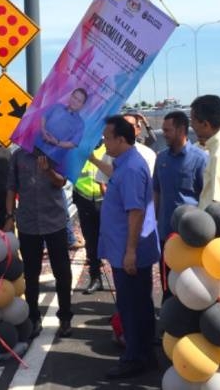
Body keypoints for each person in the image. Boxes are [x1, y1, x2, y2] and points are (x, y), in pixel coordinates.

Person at [98, 115, 160, 380]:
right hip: (124, 248)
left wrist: (131, 251)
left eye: (107, 138)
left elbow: (135, 211)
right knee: (139, 304)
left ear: (121, 139)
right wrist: (88, 159)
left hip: (128, 251)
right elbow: (116, 177)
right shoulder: (126, 163)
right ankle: (144, 353)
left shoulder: (132, 168)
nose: (104, 142)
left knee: (131, 306)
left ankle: (134, 357)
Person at [5, 147, 74, 338]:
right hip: (28, 222)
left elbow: (61, 182)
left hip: (55, 221)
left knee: (62, 271)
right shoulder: (18, 156)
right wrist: (9, 215)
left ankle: (65, 317)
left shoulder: (56, 153)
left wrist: (48, 170)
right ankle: (34, 318)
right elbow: (11, 187)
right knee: (31, 272)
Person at [153, 110, 207, 295]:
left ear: (182, 129)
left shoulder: (201, 159)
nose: (164, 134)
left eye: (167, 130)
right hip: (166, 235)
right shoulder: (161, 158)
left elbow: (205, 198)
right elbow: (157, 191)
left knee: (191, 286)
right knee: (168, 284)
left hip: (190, 237)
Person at [72, 146, 105, 295]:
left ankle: (120, 279)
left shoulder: (108, 147)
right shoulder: (79, 148)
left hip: (105, 199)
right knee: (91, 241)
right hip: (84, 197)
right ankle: (95, 277)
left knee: (112, 240)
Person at [34, 87, 88, 168]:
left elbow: (73, 144)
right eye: (75, 97)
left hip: (52, 158)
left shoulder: (80, 124)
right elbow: (44, 116)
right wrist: (43, 129)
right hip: (37, 147)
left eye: (79, 101)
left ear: (82, 105)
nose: (75, 101)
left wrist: (57, 142)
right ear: (70, 96)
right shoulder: (57, 106)